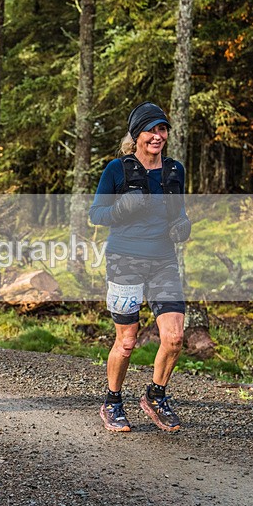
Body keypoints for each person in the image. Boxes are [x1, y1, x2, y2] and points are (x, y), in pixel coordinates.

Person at [89, 101, 191, 432]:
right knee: (128, 341)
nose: (157, 136)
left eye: (162, 129)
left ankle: (155, 396)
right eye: (151, 129)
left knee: (174, 337)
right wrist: (120, 211)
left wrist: (182, 225)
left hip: (163, 262)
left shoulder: (175, 171)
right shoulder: (116, 170)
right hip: (125, 260)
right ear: (137, 135)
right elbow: (96, 214)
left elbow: (179, 213)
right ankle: (112, 401)